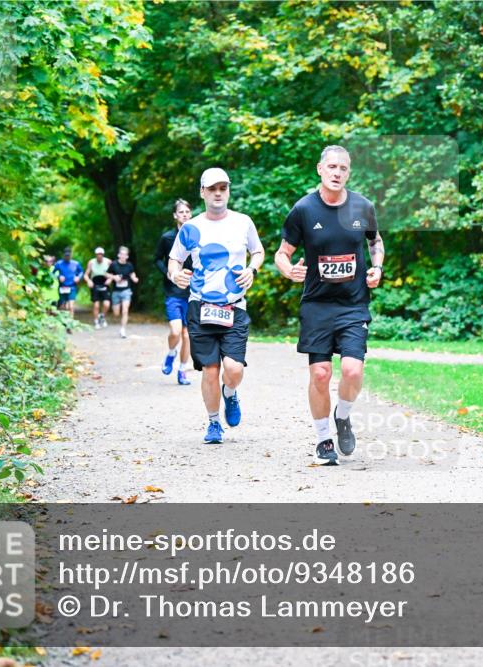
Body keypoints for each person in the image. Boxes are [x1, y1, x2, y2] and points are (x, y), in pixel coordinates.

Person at [274, 146, 384, 464]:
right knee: (321, 374)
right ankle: (323, 440)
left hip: (352, 304)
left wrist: (377, 267)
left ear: (349, 172)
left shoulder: (362, 206)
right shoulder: (304, 210)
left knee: (352, 370)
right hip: (317, 305)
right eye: (332, 167)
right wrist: (288, 269)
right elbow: (282, 253)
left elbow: (375, 241)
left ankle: (343, 415)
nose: (337, 173)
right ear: (320, 169)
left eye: (343, 168)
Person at [167, 168, 264, 444]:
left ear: (228, 191)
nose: (218, 192)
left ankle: (230, 393)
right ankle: (213, 423)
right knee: (210, 369)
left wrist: (252, 269)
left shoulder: (243, 222)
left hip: (234, 305)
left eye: (223, 187)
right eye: (212, 188)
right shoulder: (190, 228)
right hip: (200, 306)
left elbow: (257, 251)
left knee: (233, 369)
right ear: (203, 192)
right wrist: (176, 274)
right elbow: (174, 260)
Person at [154, 199, 195, 385]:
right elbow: (157, 260)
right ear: (175, 215)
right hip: (173, 291)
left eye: (187, 211)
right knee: (176, 331)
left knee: (188, 335)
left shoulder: (197, 238)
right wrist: (170, 274)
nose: (185, 214)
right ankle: (171, 353)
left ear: (191, 214)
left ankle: (182, 370)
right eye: (181, 212)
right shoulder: (167, 238)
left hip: (193, 293)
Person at [106, 245, 139, 339]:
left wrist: (134, 278)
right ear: (118, 255)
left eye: (125, 254)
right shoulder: (114, 264)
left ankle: (123, 329)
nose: (123, 256)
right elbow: (107, 274)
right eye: (121, 254)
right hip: (116, 291)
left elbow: (132, 274)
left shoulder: (129, 265)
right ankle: (120, 322)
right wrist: (114, 277)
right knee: (116, 313)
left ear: (127, 256)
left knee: (125, 310)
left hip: (126, 290)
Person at [51, 247, 83, 331]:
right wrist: (58, 276)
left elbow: (81, 272)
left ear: (71, 255)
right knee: (62, 306)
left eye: (69, 256)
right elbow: (52, 273)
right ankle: (63, 322)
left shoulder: (76, 264)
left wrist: (78, 277)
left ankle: (70, 325)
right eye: (66, 256)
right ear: (64, 255)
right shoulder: (59, 264)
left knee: (71, 306)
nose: (67, 257)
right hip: (62, 287)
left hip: (72, 287)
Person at [85, 247, 112, 329]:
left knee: (106, 304)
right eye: (98, 254)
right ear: (96, 255)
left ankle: (102, 316)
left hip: (104, 283)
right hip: (95, 283)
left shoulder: (108, 262)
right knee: (96, 305)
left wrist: (110, 279)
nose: (99, 256)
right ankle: (96, 321)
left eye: (101, 254)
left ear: (103, 255)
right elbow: (86, 274)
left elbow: (113, 273)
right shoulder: (91, 262)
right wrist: (89, 281)